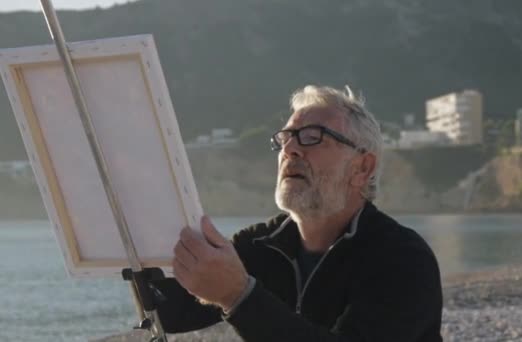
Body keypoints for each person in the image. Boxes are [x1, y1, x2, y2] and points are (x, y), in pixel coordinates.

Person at [154, 85, 443, 341]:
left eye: (312, 137)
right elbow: (171, 313)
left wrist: (238, 296)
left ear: (362, 168)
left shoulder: (402, 258)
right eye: (286, 138)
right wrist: (143, 238)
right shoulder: (261, 245)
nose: (290, 148)